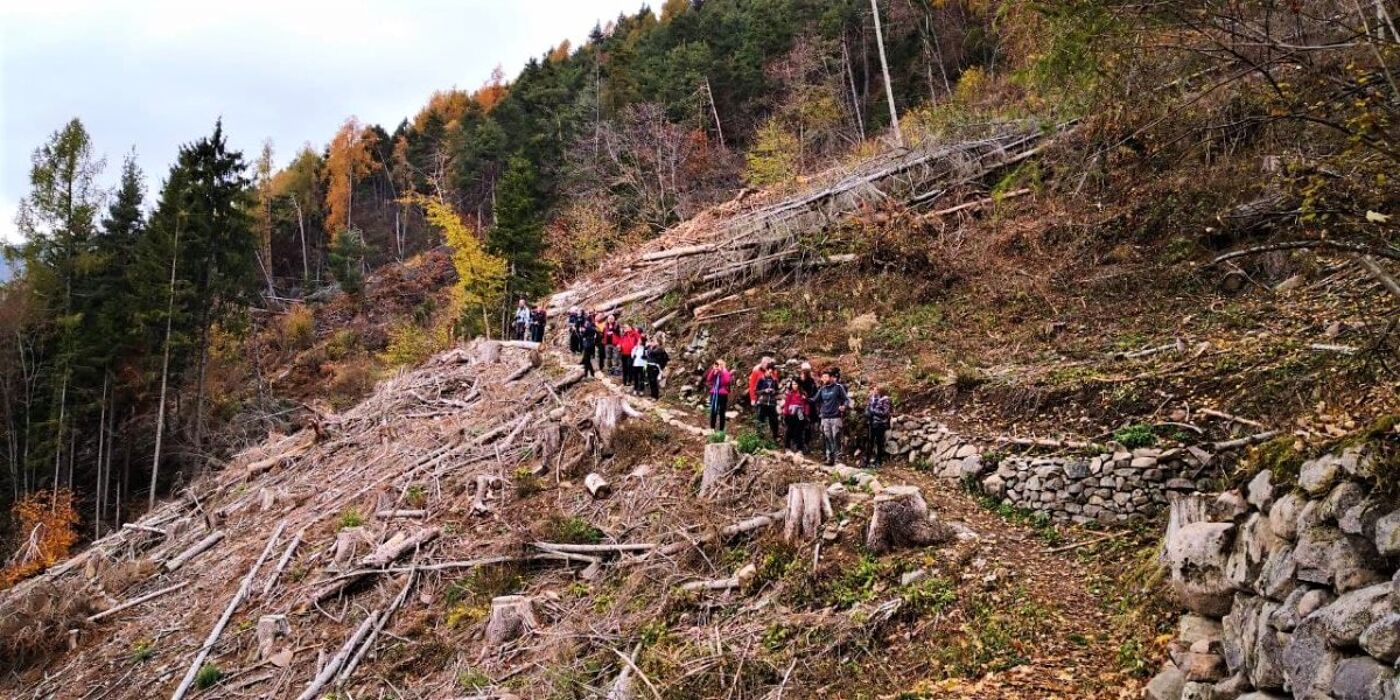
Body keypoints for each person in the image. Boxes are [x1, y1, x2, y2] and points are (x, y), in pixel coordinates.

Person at [815, 370, 849, 466]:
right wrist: (803, 398)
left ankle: (838, 459)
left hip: (836, 417)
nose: (824, 379)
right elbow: (814, 400)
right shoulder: (822, 389)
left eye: (826, 377)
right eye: (823, 377)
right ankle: (830, 458)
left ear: (830, 377)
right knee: (827, 438)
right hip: (825, 417)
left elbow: (846, 399)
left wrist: (844, 406)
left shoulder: (838, 387)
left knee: (836, 437)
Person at [865, 386, 893, 467]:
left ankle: (879, 460)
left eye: (876, 390)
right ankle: (867, 460)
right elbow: (868, 408)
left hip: (880, 424)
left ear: (881, 391)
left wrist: (873, 411)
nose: (874, 391)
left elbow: (885, 412)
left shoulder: (886, 400)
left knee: (879, 442)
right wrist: (867, 413)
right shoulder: (872, 398)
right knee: (870, 442)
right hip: (871, 423)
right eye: (874, 389)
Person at [704, 359, 733, 432]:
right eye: (717, 364)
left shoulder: (725, 372)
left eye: (720, 364)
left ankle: (721, 429)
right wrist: (713, 370)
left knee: (722, 412)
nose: (718, 366)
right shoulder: (715, 372)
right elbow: (709, 379)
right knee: (713, 411)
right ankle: (712, 428)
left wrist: (721, 372)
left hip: (722, 394)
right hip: (714, 393)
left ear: (723, 365)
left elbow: (727, 381)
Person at [780, 379, 809, 452]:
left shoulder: (803, 394)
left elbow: (806, 405)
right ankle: (787, 447)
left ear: (799, 384)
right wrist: (786, 414)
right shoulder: (790, 394)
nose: (794, 386)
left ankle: (799, 448)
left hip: (800, 413)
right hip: (791, 413)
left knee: (799, 431)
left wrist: (806, 413)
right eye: (793, 384)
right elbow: (786, 404)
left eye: (795, 384)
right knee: (789, 430)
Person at [753, 367, 780, 441]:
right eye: (769, 372)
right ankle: (759, 437)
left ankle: (775, 436)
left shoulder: (774, 381)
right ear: (766, 371)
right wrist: (764, 390)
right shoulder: (761, 379)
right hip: (762, 403)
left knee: (774, 420)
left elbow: (778, 391)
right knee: (760, 419)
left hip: (771, 403)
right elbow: (756, 391)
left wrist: (774, 391)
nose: (770, 373)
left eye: (771, 372)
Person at [795, 362, 819, 445]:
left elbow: (815, 393)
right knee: (798, 423)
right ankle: (798, 443)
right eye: (804, 371)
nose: (805, 373)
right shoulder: (797, 381)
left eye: (807, 371)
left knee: (808, 425)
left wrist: (809, 399)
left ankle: (806, 443)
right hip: (799, 406)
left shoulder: (811, 381)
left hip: (809, 406)